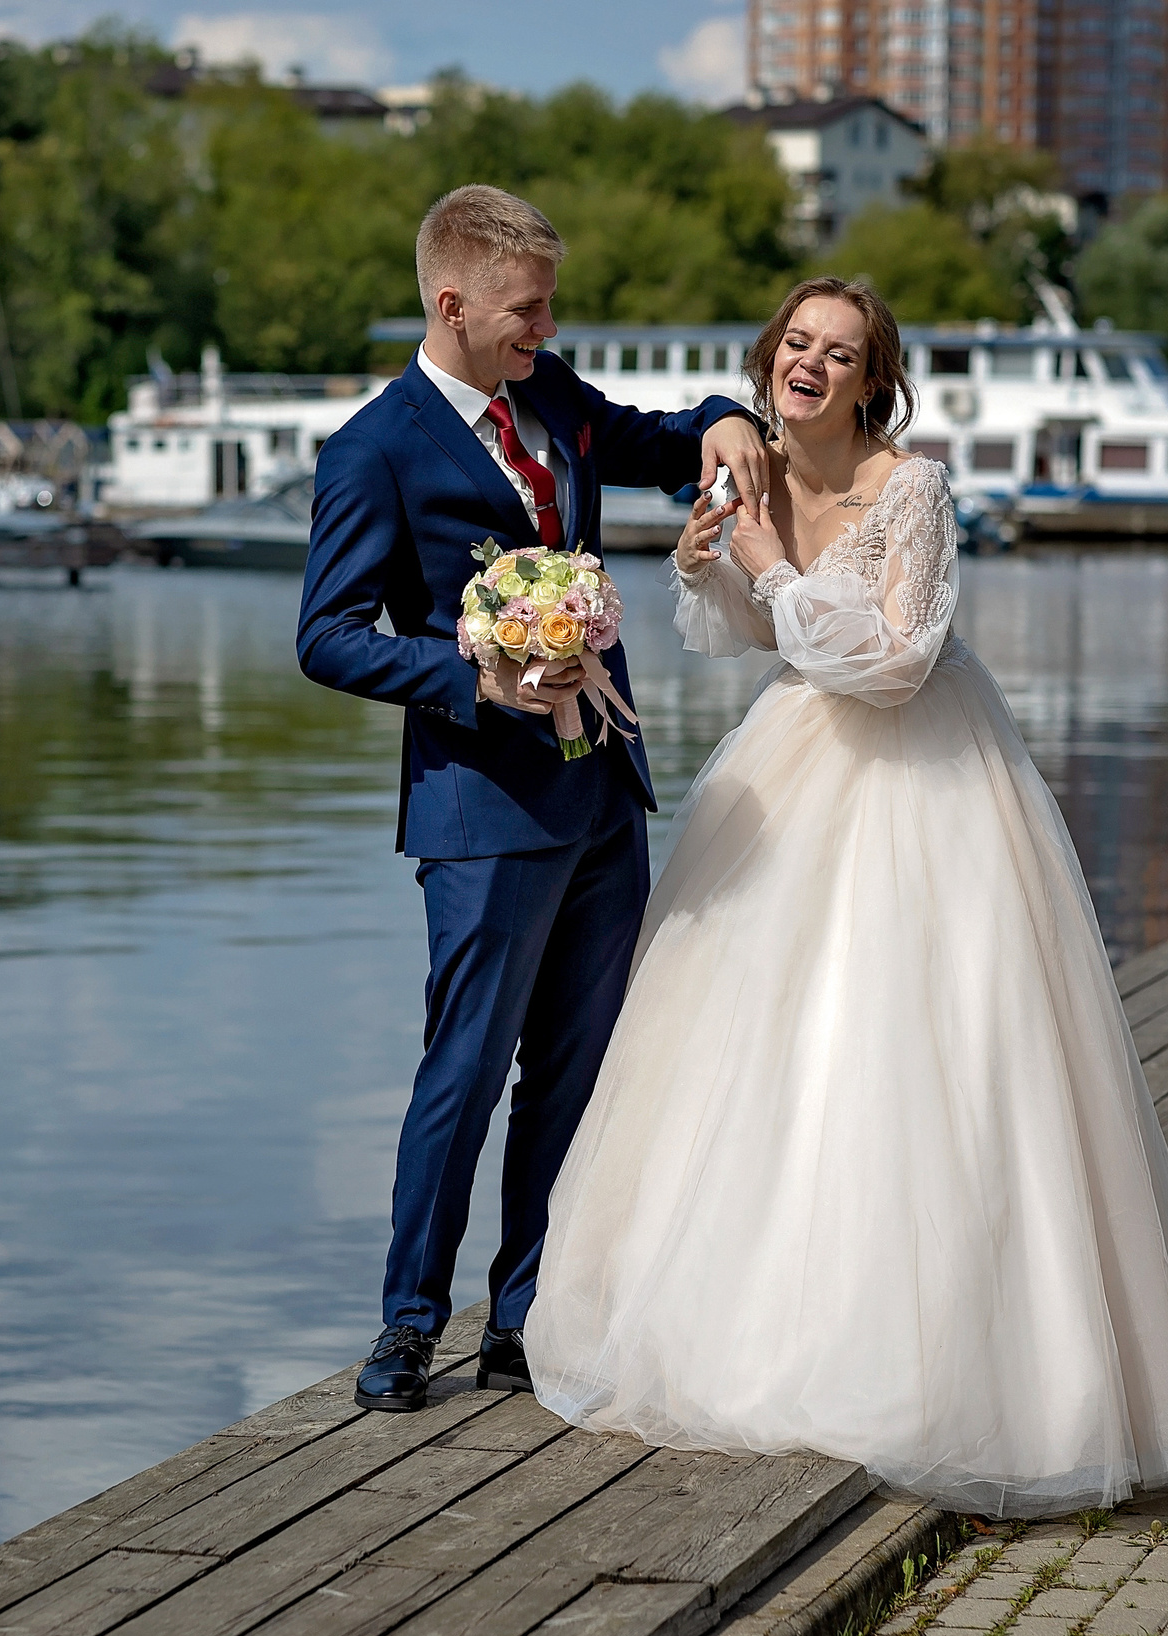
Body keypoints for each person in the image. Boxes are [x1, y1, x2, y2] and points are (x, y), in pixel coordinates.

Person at [527, 277, 1168, 1516]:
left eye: (841, 352)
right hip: (793, 759)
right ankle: (755, 1329)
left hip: (924, 771)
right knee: (758, 1048)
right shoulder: (748, 474)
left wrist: (767, 566)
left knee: (913, 1044)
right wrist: (712, 568)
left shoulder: (911, 490)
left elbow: (899, 660)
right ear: (771, 357)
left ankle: (963, 1367)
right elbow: (759, 639)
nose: (811, 363)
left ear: (873, 381)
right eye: (797, 343)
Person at [297, 186, 770, 1411]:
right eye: (526, 309)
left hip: (602, 792)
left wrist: (723, 420)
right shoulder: (373, 449)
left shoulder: (548, 395)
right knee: (462, 1072)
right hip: (481, 810)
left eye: (549, 306)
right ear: (452, 303)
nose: (546, 329)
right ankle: (410, 1324)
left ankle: (525, 1316)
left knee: (575, 1070)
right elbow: (328, 637)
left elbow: (656, 443)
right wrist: (474, 674)